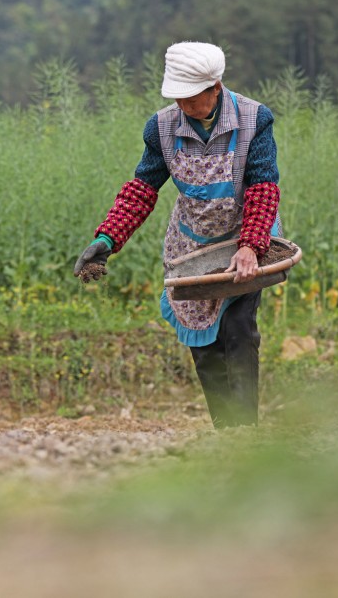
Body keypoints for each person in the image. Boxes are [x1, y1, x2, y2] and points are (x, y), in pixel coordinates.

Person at [74, 42, 282, 428]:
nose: (184, 106)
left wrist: (252, 245)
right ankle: (226, 431)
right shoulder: (162, 127)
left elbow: (262, 187)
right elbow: (143, 188)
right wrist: (106, 240)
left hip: (245, 237)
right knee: (204, 345)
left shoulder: (255, 119)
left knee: (238, 330)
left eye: (191, 97)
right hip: (192, 246)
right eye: (178, 98)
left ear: (214, 88)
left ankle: (247, 435)